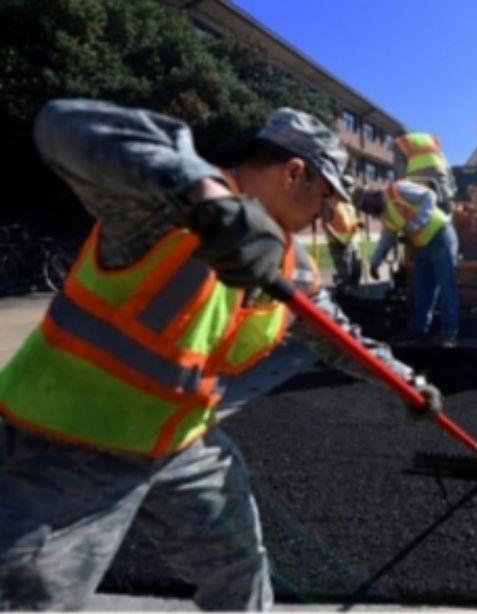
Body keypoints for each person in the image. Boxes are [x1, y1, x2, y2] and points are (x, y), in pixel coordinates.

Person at [0, 99, 443, 611]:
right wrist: (204, 195)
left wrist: (404, 381)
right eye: (324, 195)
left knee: (240, 567)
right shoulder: (163, 206)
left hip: (181, 442)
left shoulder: (289, 263)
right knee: (31, 599)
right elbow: (61, 124)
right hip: (63, 445)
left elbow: (338, 338)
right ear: (294, 173)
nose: (324, 212)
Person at [356, 179, 459, 344]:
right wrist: (375, 262)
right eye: (363, 210)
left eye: (366, 206)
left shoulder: (397, 189)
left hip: (441, 236)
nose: (367, 212)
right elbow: (386, 239)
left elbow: (429, 195)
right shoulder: (384, 215)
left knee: (447, 287)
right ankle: (418, 330)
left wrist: (417, 222)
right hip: (422, 245)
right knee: (423, 289)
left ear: (372, 196)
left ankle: (448, 334)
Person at [393, 131, 457, 213]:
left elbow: (400, 169)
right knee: (446, 209)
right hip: (440, 177)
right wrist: (451, 190)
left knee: (424, 211)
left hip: (418, 179)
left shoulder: (400, 142)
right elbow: (447, 167)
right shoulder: (430, 140)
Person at [321, 180, 363, 289]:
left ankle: (352, 292)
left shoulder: (349, 204)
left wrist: (358, 223)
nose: (350, 191)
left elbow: (352, 220)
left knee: (357, 271)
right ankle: (342, 291)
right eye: (348, 188)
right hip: (338, 244)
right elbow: (325, 225)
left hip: (353, 242)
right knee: (346, 273)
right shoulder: (330, 204)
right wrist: (338, 239)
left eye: (351, 188)